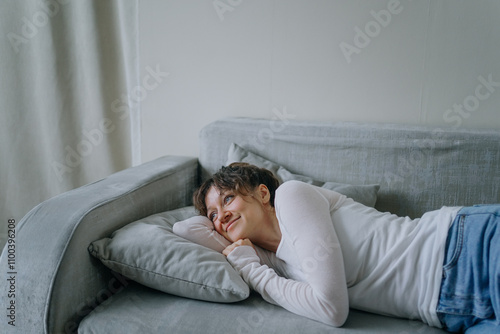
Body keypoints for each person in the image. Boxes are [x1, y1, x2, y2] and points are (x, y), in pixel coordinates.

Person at [191, 162, 500, 333]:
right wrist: (247, 258)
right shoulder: (274, 261)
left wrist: (250, 271)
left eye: (228, 198)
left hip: (469, 248)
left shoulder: (291, 196)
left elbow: (332, 309)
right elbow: (184, 229)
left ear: (262, 194)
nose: (222, 216)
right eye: (213, 215)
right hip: (451, 313)